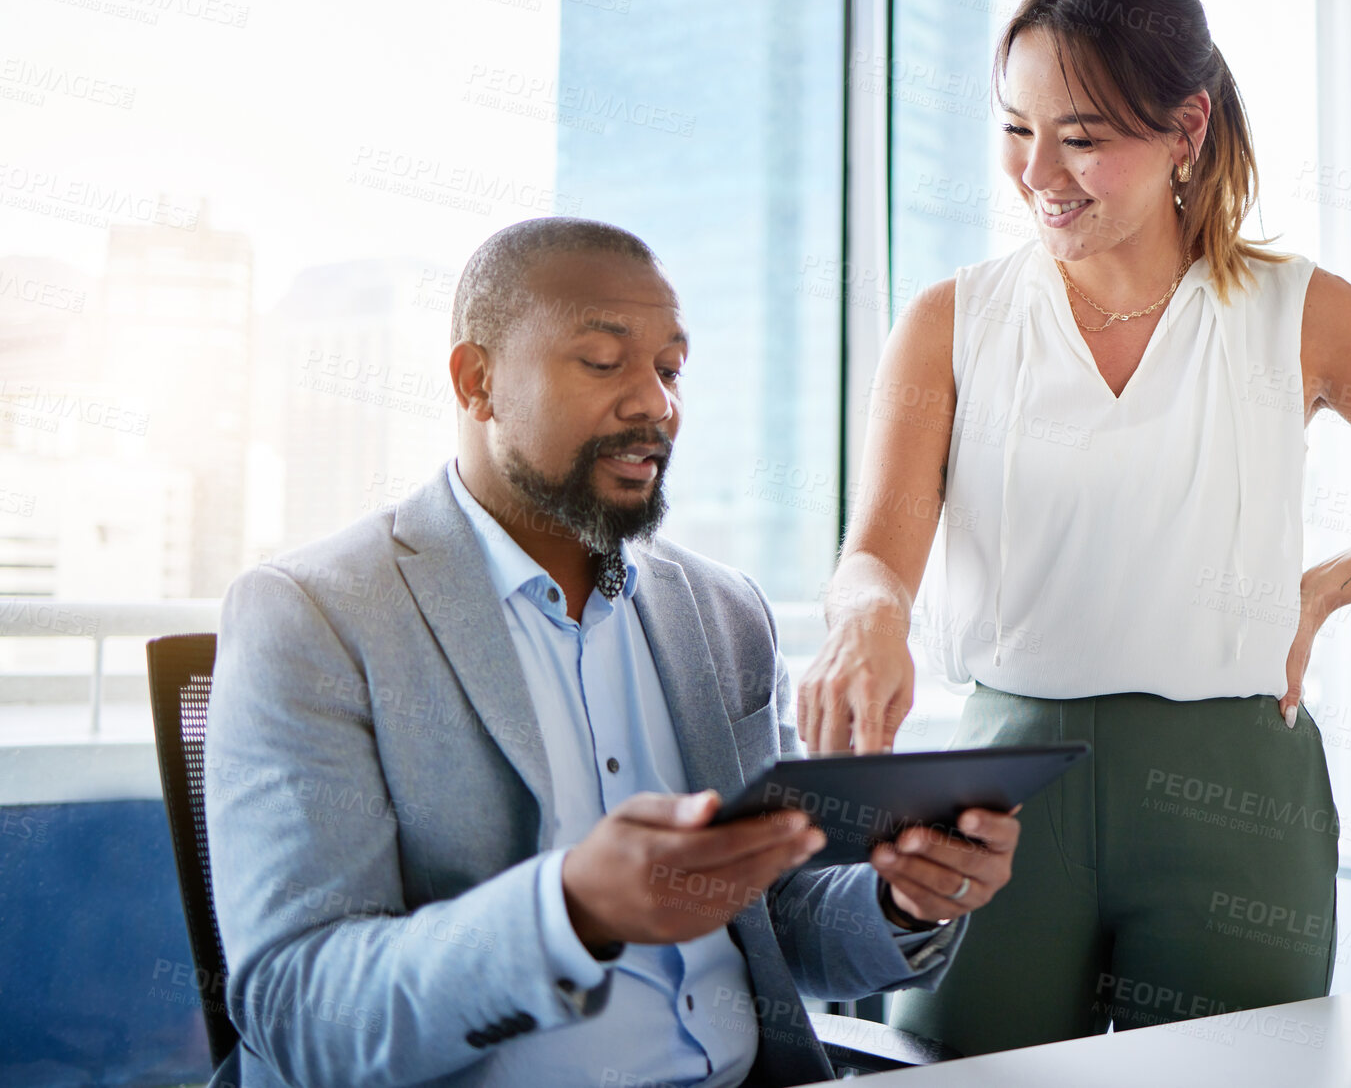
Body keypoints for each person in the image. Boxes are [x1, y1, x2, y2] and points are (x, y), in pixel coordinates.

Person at [798, 0, 1351, 1057]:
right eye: (1017, 128)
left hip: (1236, 793)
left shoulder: (1300, 312)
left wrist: (1325, 590)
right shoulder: (950, 322)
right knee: (956, 1075)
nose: (1038, 172)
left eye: (1085, 137)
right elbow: (880, 552)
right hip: (1008, 781)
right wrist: (863, 611)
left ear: (1185, 131)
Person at [203, 217, 1022, 1088]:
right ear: (477, 381)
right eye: (603, 362)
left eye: (669, 369)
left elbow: (773, 920)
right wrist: (570, 910)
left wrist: (903, 899)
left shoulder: (721, 611)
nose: (655, 403)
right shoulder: (314, 616)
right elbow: (298, 1006)